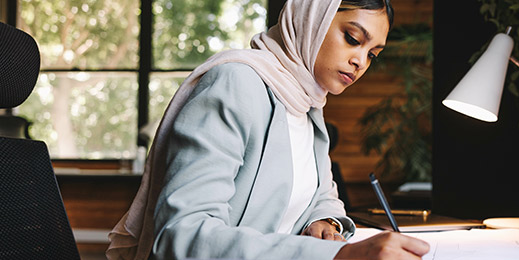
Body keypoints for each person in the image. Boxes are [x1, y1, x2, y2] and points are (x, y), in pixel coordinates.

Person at [106, 0, 430, 259]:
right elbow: (183, 235)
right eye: (353, 39)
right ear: (311, 18)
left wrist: (324, 222)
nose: (360, 61)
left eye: (372, 54)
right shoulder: (236, 84)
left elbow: (322, 196)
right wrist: (338, 255)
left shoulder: (308, 104)